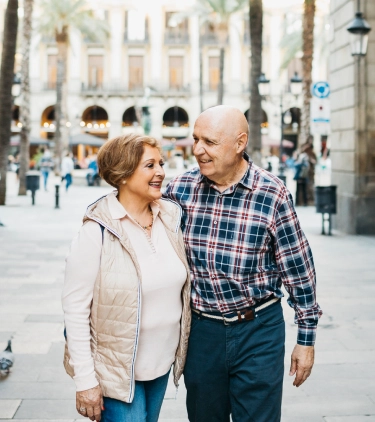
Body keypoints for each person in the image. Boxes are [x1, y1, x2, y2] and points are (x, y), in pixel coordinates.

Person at [164, 106, 322, 422]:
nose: (197, 150)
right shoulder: (178, 190)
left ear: (240, 143)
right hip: (202, 332)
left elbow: (298, 269)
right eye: (195, 139)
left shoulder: (271, 192)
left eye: (209, 141)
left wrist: (306, 339)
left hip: (259, 330)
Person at [62, 134, 191, 422]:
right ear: (123, 173)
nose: (160, 172)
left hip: (161, 365)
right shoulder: (96, 232)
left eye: (161, 163)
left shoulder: (170, 218)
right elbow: (75, 310)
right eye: (149, 165)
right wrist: (86, 381)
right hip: (116, 371)